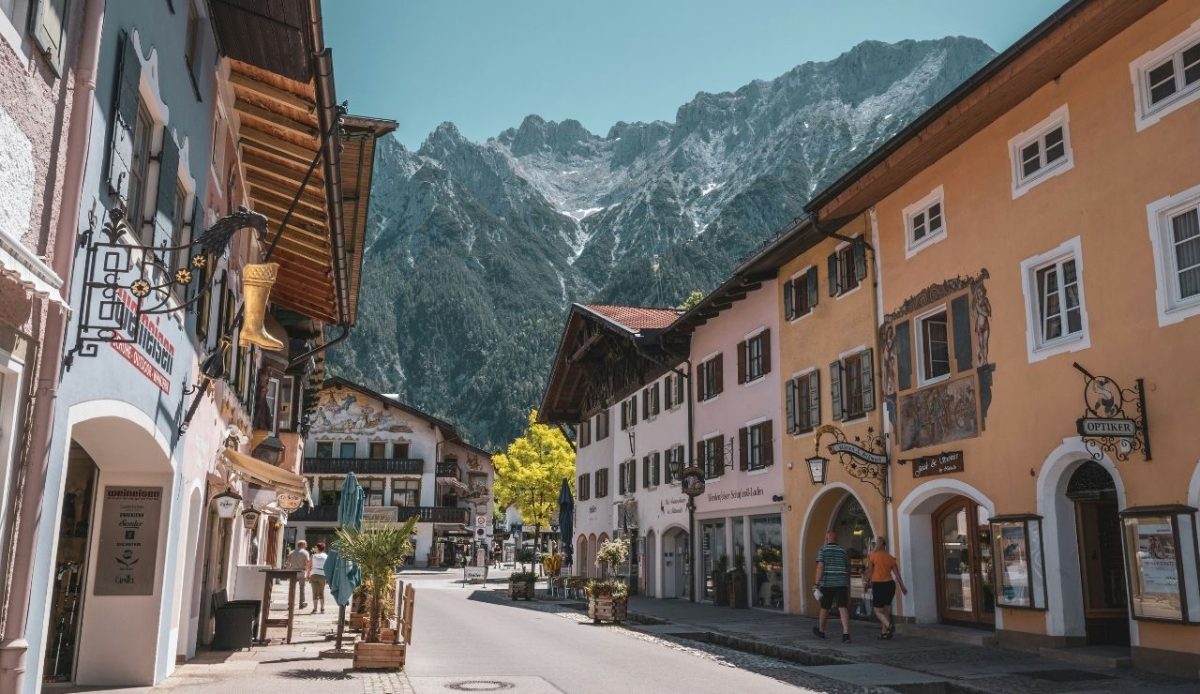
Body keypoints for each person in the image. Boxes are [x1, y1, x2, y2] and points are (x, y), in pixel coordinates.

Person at [863, 536, 908, 640]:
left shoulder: (872, 556)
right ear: (885, 545)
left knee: (877, 611)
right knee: (886, 609)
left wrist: (866, 583)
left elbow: (870, 572)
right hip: (890, 585)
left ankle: (889, 626)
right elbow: (897, 575)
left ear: (877, 544)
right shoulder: (890, 558)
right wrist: (902, 586)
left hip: (879, 585)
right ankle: (884, 633)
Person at [813, 530, 852, 643]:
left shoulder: (823, 550)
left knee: (825, 607)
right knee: (842, 607)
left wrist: (816, 583)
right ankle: (846, 633)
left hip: (827, 584)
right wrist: (848, 584)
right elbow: (848, 569)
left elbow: (820, 567)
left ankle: (821, 630)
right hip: (841, 584)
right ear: (836, 539)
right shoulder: (843, 551)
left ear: (827, 539)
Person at [284, 540, 310, 609]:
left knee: (292, 588)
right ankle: (301, 604)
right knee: (302, 588)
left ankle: (290, 604)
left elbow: (288, 563)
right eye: (305, 544)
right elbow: (307, 563)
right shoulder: (305, 553)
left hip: (293, 572)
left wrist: (287, 572)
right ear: (302, 545)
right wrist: (307, 572)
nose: (306, 546)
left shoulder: (292, 552)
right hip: (301, 571)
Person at [308, 542, 328, 614]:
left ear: (317, 548)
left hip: (314, 574)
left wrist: (307, 575)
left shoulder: (313, 556)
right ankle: (322, 609)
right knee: (321, 592)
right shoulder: (326, 556)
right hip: (322, 574)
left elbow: (309, 566)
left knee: (315, 592)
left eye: (316, 547)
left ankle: (315, 609)